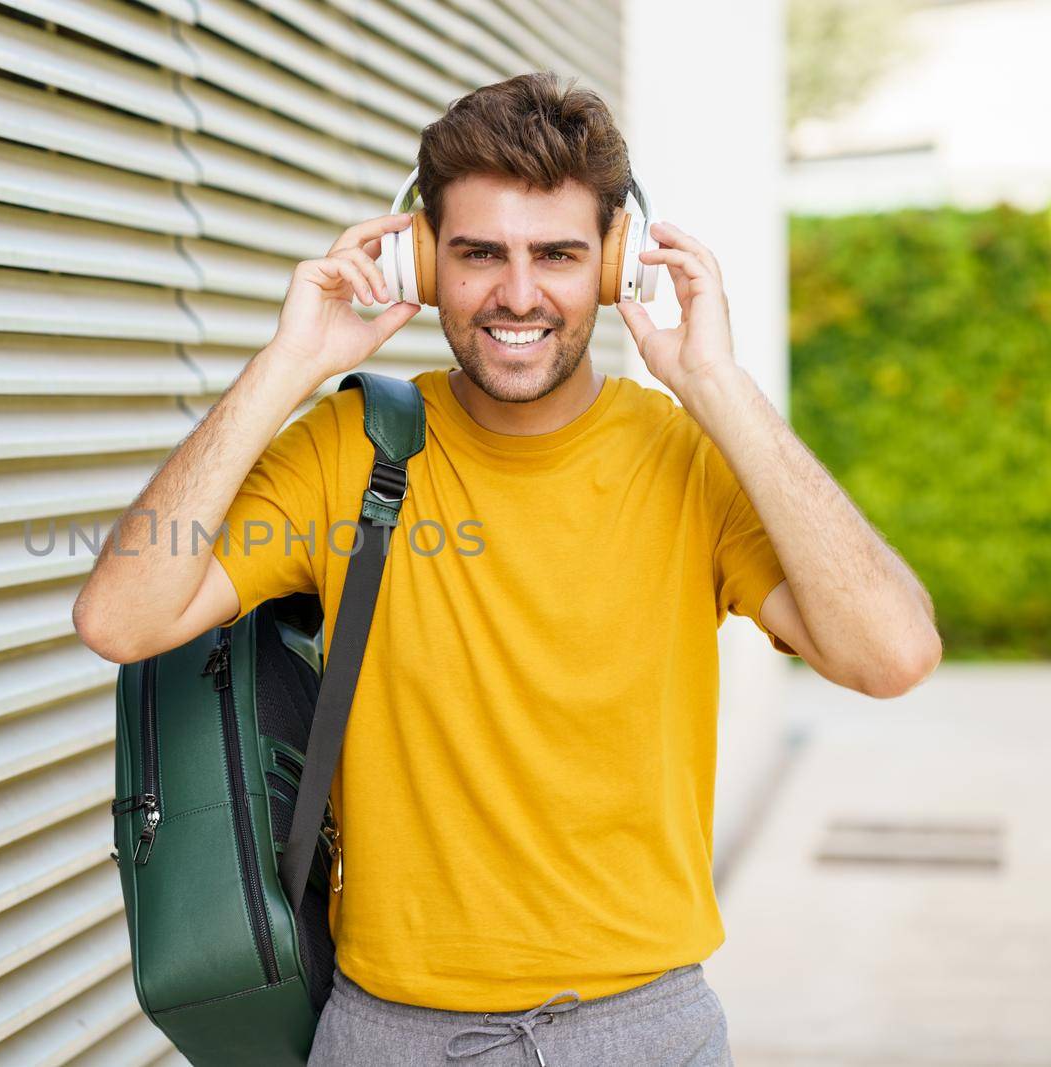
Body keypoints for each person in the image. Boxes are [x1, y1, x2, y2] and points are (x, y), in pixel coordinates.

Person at [71, 71, 941, 1065]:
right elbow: (120, 619)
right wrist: (286, 364)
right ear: (424, 259)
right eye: (480, 254)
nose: (518, 294)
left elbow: (892, 654)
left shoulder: (688, 457)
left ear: (615, 266)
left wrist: (719, 386)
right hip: (391, 1032)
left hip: (643, 1028)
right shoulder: (347, 448)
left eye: (558, 255)